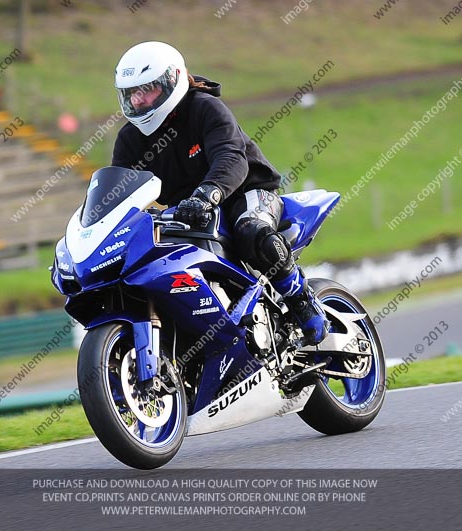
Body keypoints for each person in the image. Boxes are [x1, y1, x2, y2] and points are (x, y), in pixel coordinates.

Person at [111, 41, 328, 346]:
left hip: (246, 191)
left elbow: (230, 157)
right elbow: (118, 191)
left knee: (251, 230)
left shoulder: (204, 107)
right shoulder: (130, 139)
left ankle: (300, 298)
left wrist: (208, 194)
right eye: (130, 93)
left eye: (146, 89)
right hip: (187, 211)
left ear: (170, 81)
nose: (138, 99)